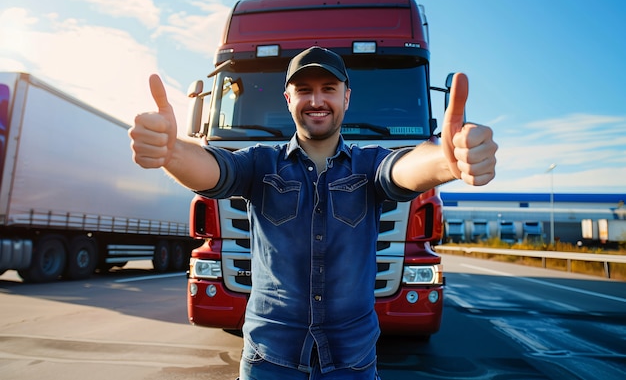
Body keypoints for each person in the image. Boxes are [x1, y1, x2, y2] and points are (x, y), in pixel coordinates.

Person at [129, 46, 498, 379]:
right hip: (269, 361)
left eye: (328, 89)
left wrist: (447, 161)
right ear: (288, 98)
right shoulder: (260, 164)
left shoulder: (370, 166)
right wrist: (172, 152)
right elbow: (215, 170)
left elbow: (404, 168)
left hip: (351, 363)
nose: (316, 100)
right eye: (304, 90)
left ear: (346, 98)